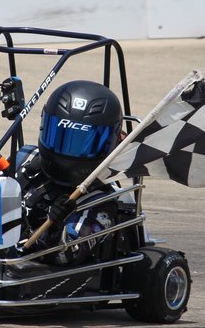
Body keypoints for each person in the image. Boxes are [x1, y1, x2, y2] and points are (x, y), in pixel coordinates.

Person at [16, 80, 124, 262]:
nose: (68, 152)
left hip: (27, 265)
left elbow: (68, 253)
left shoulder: (100, 201)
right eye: (61, 137)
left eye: (82, 143)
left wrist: (54, 226)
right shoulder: (26, 156)